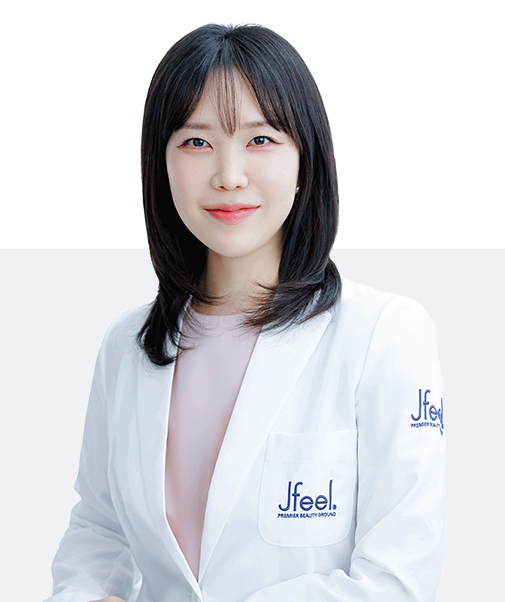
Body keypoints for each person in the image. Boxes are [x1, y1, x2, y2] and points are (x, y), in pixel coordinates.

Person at [45, 23, 445, 602]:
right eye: (196, 142)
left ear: (306, 156)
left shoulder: (384, 335)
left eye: (260, 139)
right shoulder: (125, 346)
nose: (229, 176)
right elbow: (99, 529)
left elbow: (398, 580)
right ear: (160, 161)